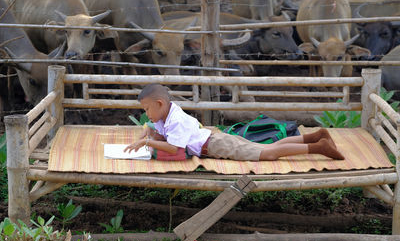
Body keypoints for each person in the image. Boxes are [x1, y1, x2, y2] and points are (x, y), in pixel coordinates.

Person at [124, 84, 344, 161]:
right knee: (267, 148)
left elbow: (174, 148)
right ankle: (313, 137)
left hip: (218, 145)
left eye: (147, 110)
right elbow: (156, 129)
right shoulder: (169, 112)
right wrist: (148, 132)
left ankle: (317, 147)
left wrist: (148, 143)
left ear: (160, 103)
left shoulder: (175, 122)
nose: (147, 115)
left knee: (268, 154)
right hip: (216, 139)